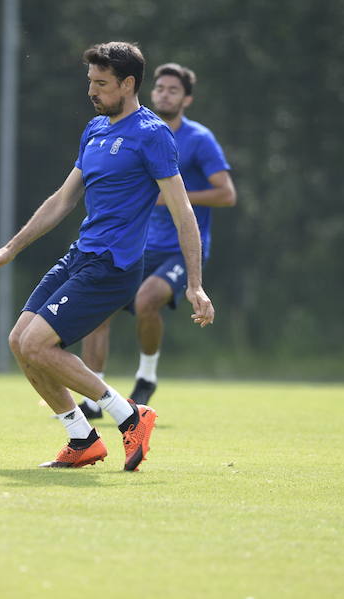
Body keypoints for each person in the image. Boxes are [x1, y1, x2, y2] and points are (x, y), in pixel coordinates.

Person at [0, 42, 215, 470]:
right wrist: (10, 248)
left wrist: (195, 285)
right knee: (20, 342)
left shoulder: (152, 134)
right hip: (80, 256)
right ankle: (81, 437)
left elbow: (184, 216)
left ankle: (130, 415)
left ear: (128, 84)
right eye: (90, 81)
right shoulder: (95, 130)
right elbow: (62, 201)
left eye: (101, 84)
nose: (92, 91)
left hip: (115, 267)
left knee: (38, 343)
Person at [77, 62, 236, 415]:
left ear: (187, 99)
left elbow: (226, 194)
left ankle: (146, 377)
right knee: (97, 311)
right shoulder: (136, 130)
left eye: (173, 90)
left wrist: (174, 196)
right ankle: (91, 398)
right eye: (160, 88)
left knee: (147, 300)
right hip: (139, 245)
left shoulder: (198, 139)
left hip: (179, 250)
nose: (164, 94)